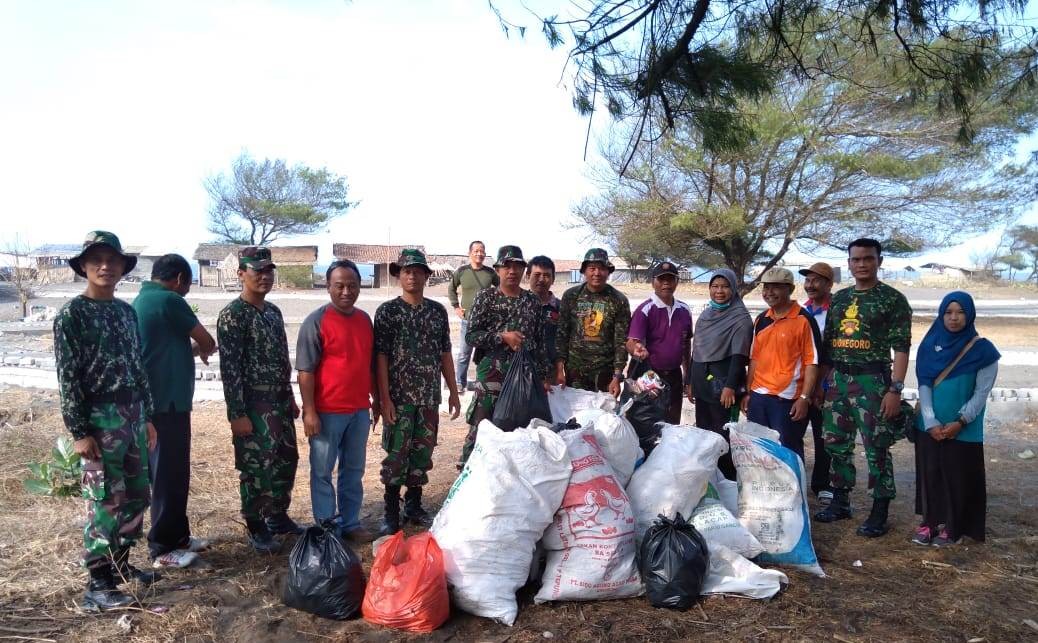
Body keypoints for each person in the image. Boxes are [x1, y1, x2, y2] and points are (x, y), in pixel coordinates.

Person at [54, 231, 159, 611]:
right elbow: (68, 377)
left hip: (131, 417)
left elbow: (138, 368)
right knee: (102, 501)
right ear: (83, 266)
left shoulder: (125, 312)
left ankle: (121, 565)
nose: (105, 266)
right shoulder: (72, 315)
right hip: (98, 421)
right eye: (96, 259)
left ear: (122, 267)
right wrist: (80, 432)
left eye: (112, 260)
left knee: (135, 495)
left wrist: (146, 416)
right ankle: (97, 582)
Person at [815, 238, 912, 538]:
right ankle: (840, 501)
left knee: (876, 446)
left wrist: (895, 390)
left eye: (868, 258)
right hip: (839, 381)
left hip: (873, 382)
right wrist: (824, 385)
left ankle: (879, 510)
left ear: (879, 261)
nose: (861, 264)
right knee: (835, 442)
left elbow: (901, 349)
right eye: (856, 260)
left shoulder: (892, 299)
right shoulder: (841, 300)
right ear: (848, 264)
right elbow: (829, 347)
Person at [134, 254, 217, 569]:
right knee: (168, 476)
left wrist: (194, 350)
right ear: (181, 278)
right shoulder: (170, 300)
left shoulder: (145, 300)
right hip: (165, 404)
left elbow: (167, 348)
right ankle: (163, 547)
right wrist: (206, 347)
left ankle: (178, 536)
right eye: (190, 281)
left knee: (173, 472)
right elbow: (206, 338)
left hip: (161, 403)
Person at [218, 247, 302, 554]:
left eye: (268, 271)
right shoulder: (233, 315)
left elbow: (282, 359)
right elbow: (230, 368)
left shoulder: (273, 312)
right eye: (257, 271)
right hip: (253, 405)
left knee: (285, 460)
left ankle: (277, 516)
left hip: (279, 402)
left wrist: (290, 396)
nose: (264, 277)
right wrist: (236, 413)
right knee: (256, 467)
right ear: (242, 274)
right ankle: (255, 524)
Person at [374, 249, 461, 536]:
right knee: (396, 455)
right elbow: (381, 357)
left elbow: (445, 353)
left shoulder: (436, 312)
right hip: (398, 399)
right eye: (406, 271)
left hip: (427, 397)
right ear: (399, 276)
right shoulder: (388, 312)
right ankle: (390, 510)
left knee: (421, 454)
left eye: (417, 271)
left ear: (426, 275)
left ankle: (413, 505)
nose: (412, 276)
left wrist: (452, 391)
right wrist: (384, 398)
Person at [296, 260, 379, 543]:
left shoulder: (364, 320)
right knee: (321, 471)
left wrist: (375, 399)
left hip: (358, 410)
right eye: (339, 286)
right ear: (328, 286)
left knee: (353, 470)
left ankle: (351, 522)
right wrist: (309, 412)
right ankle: (327, 526)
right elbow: (305, 371)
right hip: (327, 412)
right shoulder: (316, 321)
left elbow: (368, 364)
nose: (346, 291)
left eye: (352, 286)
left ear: (360, 286)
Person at [912, 291, 999, 547]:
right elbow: (924, 384)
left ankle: (953, 526)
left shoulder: (984, 351)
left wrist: (960, 422)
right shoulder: (929, 345)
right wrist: (930, 421)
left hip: (964, 429)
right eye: (948, 312)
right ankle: (929, 521)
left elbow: (981, 393)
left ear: (970, 314)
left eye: (960, 312)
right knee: (930, 474)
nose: (954, 318)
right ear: (941, 314)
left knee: (958, 476)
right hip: (929, 426)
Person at [460, 245, 548, 463]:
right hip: (491, 377)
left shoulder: (532, 302)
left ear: (523, 270)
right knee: (481, 430)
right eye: (506, 266)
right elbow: (472, 336)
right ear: (498, 269)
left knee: (518, 432)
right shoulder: (486, 297)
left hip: (523, 378)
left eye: (517, 266)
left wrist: (544, 376)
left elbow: (539, 342)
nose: (512, 271)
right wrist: (502, 337)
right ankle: (468, 471)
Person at [741, 267, 820, 460]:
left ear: (790, 289)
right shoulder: (761, 320)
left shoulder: (803, 320)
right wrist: (749, 392)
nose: (769, 292)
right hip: (759, 398)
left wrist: (804, 398)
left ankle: (794, 490)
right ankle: (765, 491)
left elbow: (812, 363)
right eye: (766, 287)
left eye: (776, 287)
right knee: (758, 451)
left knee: (787, 451)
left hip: (787, 400)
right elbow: (755, 359)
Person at [687, 269, 753, 480]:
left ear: (733, 289)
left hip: (723, 385)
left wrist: (730, 386)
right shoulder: (706, 315)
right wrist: (690, 381)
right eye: (715, 286)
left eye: (725, 286)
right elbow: (695, 350)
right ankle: (709, 479)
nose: (719, 291)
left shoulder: (740, 319)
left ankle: (727, 480)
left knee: (722, 434)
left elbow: (739, 356)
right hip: (702, 382)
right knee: (704, 432)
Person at [555, 248, 631, 397]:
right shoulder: (571, 296)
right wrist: (559, 369)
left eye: (602, 268)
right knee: (575, 415)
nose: (597, 273)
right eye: (592, 268)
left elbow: (621, 342)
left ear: (608, 272)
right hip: (575, 370)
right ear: (584, 271)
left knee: (602, 414)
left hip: (605, 372)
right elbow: (562, 333)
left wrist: (617, 376)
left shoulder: (618, 300)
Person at [626, 261, 693, 423]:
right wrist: (636, 348)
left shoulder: (684, 310)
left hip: (675, 376)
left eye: (671, 279)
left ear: (677, 282)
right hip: (650, 374)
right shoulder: (645, 310)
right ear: (653, 282)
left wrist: (688, 376)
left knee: (672, 422)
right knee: (647, 422)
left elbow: (686, 346)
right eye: (661, 279)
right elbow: (630, 342)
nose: (666, 283)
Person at [799, 261, 836, 503]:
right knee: (794, 433)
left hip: (827, 385)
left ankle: (823, 483)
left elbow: (834, 353)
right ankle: (796, 480)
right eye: (808, 280)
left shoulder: (837, 311)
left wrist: (822, 386)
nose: (810, 285)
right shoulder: (803, 311)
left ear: (829, 284)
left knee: (824, 435)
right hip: (803, 385)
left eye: (816, 280)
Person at [447, 241, 499, 391]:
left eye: (482, 251)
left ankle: (481, 382)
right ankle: (460, 383)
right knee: (464, 354)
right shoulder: (462, 271)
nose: (479, 254)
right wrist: (456, 307)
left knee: (484, 354)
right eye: (476, 251)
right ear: (469, 253)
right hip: (467, 321)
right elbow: (451, 289)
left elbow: (501, 288)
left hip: (487, 322)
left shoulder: (490, 273)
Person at [527, 255, 561, 366]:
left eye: (546, 275)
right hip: (522, 369)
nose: (541, 279)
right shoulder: (518, 304)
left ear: (553, 279)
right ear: (528, 276)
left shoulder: (561, 307)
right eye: (537, 275)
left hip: (551, 370)